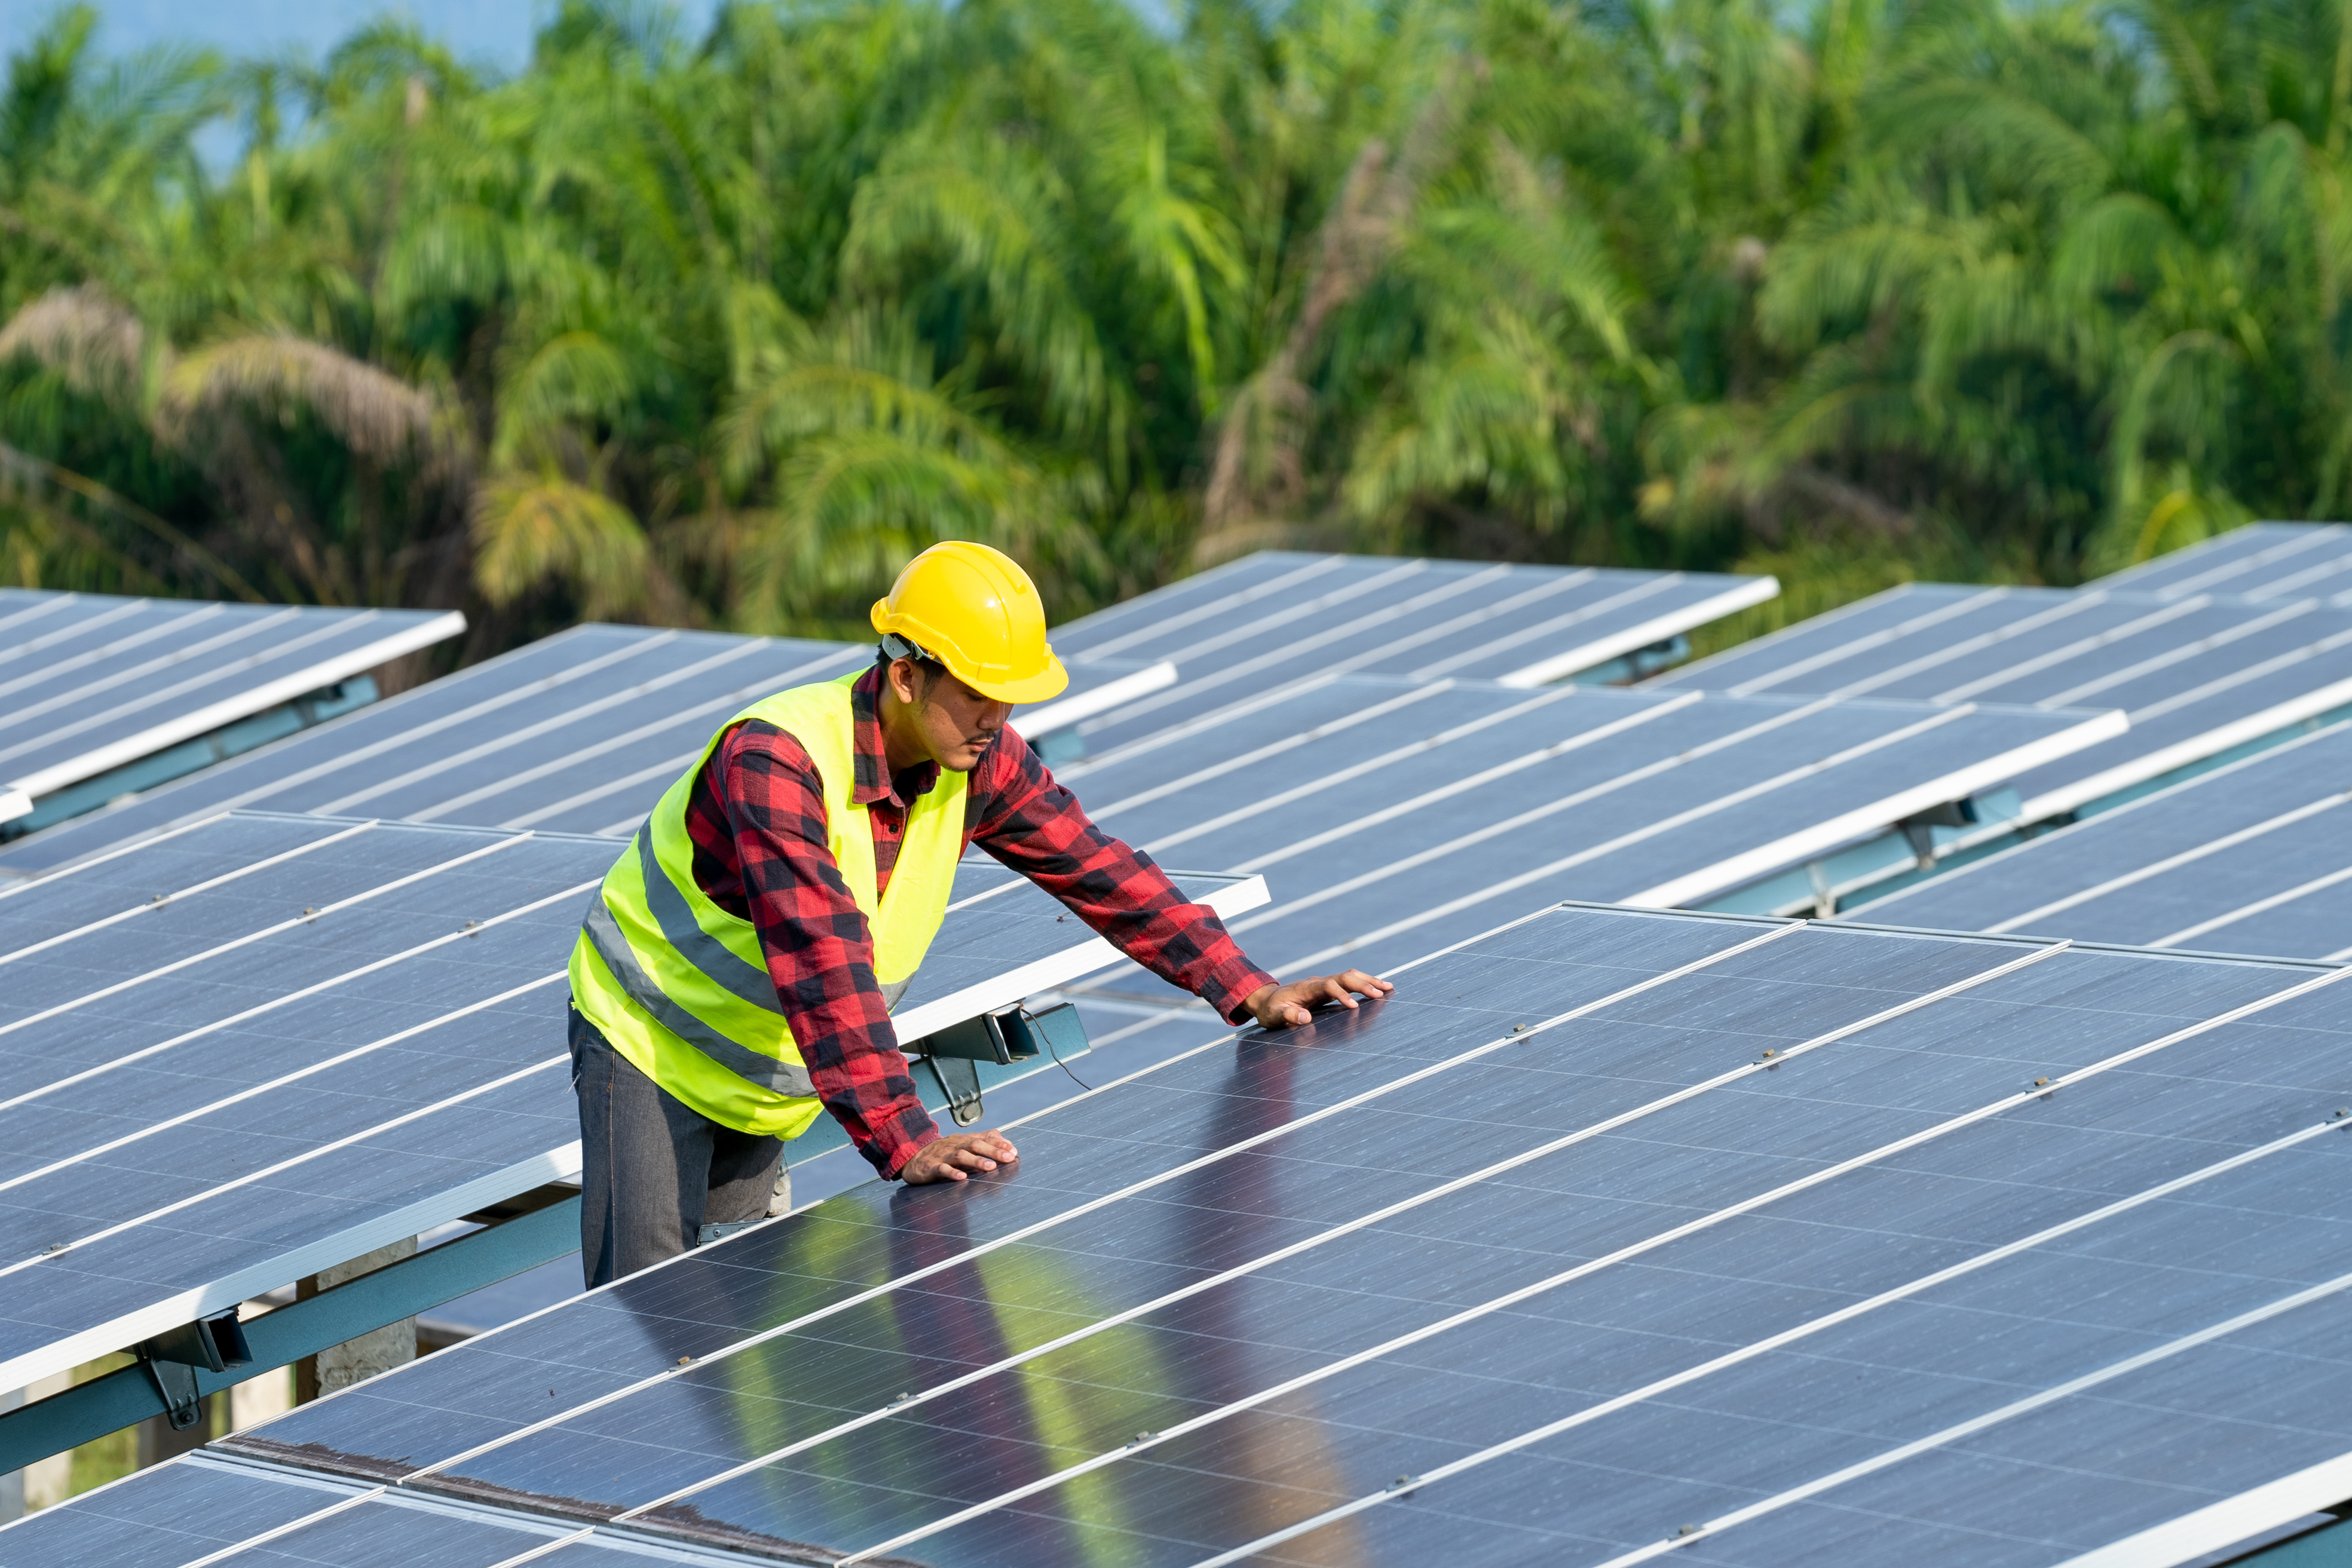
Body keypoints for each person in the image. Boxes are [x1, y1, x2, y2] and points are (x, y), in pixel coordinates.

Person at [566, 540, 1392, 1285]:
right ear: (904, 675)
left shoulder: (978, 759)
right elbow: (822, 956)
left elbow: (1094, 865)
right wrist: (905, 1136)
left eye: (1009, 698)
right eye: (979, 696)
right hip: (650, 1040)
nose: (999, 720)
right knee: (651, 1315)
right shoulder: (778, 763)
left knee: (736, 1345)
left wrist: (1248, 987)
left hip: (769, 1071)